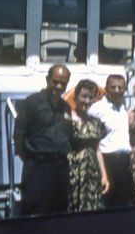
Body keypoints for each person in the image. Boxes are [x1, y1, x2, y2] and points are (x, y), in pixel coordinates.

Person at [14, 64, 73, 215]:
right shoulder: (31, 103)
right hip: (38, 167)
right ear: (47, 80)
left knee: (59, 210)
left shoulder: (66, 107)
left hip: (60, 168)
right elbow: (19, 136)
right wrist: (31, 158)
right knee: (35, 211)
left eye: (63, 83)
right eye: (55, 81)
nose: (59, 86)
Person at [88, 74, 135, 208]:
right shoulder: (96, 109)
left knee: (125, 205)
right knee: (107, 204)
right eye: (113, 87)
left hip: (125, 163)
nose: (116, 90)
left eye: (120, 88)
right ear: (106, 88)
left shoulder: (122, 108)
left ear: (124, 90)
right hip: (107, 162)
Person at [68, 79, 109, 212]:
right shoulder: (65, 119)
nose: (87, 101)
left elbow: (97, 149)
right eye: (83, 96)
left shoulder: (95, 122)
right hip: (72, 171)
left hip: (91, 172)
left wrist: (104, 175)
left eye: (90, 97)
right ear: (75, 97)